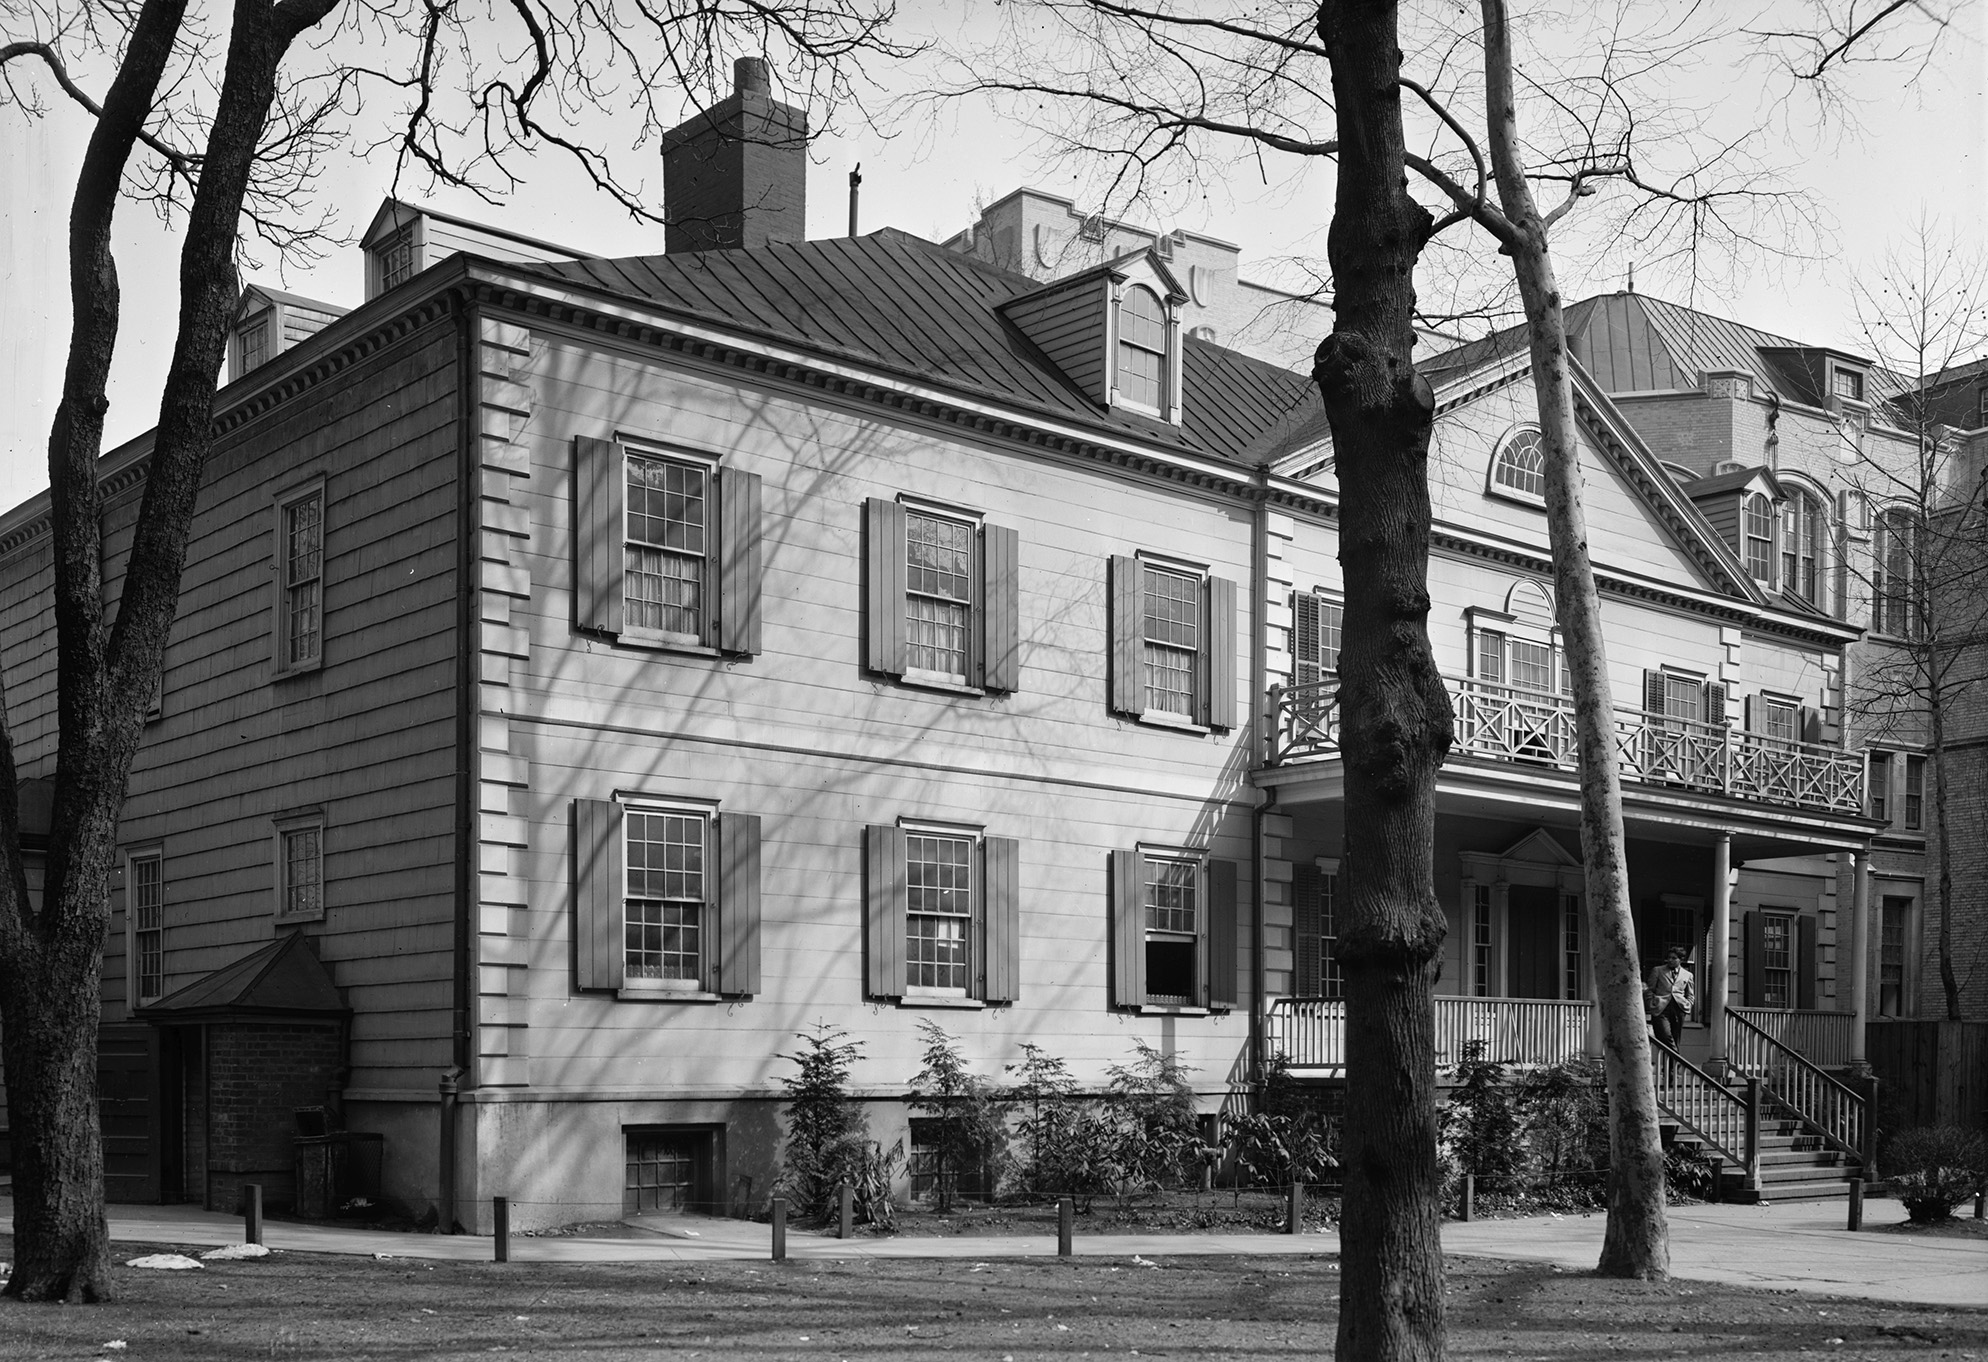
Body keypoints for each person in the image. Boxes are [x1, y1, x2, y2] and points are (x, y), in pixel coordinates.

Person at [1646, 946, 1696, 1046]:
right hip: (1661, 1008)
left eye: (1673, 958)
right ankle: (1677, 1059)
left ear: (1681, 960)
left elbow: (1690, 994)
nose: (1670, 960)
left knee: (1675, 1038)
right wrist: (1651, 1004)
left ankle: (1672, 1061)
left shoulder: (1688, 975)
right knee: (1665, 1036)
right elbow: (1649, 990)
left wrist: (1688, 1004)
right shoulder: (1658, 970)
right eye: (1669, 957)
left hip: (1678, 1008)